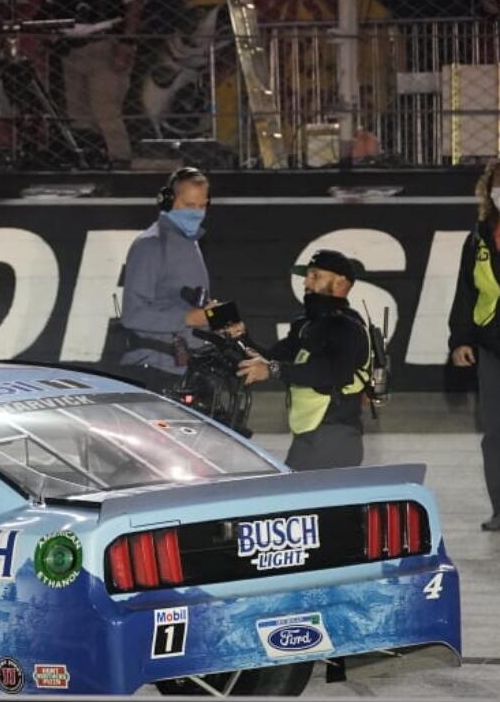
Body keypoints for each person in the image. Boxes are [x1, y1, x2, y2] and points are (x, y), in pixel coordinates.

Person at [236, 250, 371, 472]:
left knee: (295, 498)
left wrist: (273, 370)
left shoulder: (347, 327)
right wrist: (240, 337)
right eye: (307, 276)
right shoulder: (307, 325)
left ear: (341, 284)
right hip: (310, 435)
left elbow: (330, 373)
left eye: (315, 276)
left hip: (334, 435)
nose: (306, 282)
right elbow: (270, 358)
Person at [50, 0, 145, 168]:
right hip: (73, 49)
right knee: (78, 116)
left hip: (105, 45)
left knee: (106, 111)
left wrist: (126, 44)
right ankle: (91, 163)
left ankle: (120, 165)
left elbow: (135, 5)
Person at [118, 166, 212, 389]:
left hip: (185, 369)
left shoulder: (190, 242)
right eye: (189, 205)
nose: (196, 213)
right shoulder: (150, 245)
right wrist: (188, 318)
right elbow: (133, 315)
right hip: (155, 371)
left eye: (202, 206)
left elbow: (187, 305)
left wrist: (219, 320)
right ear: (167, 201)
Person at [448, 160, 500, 531]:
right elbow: (465, 291)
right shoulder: (479, 236)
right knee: (495, 433)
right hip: (491, 344)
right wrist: (461, 338)